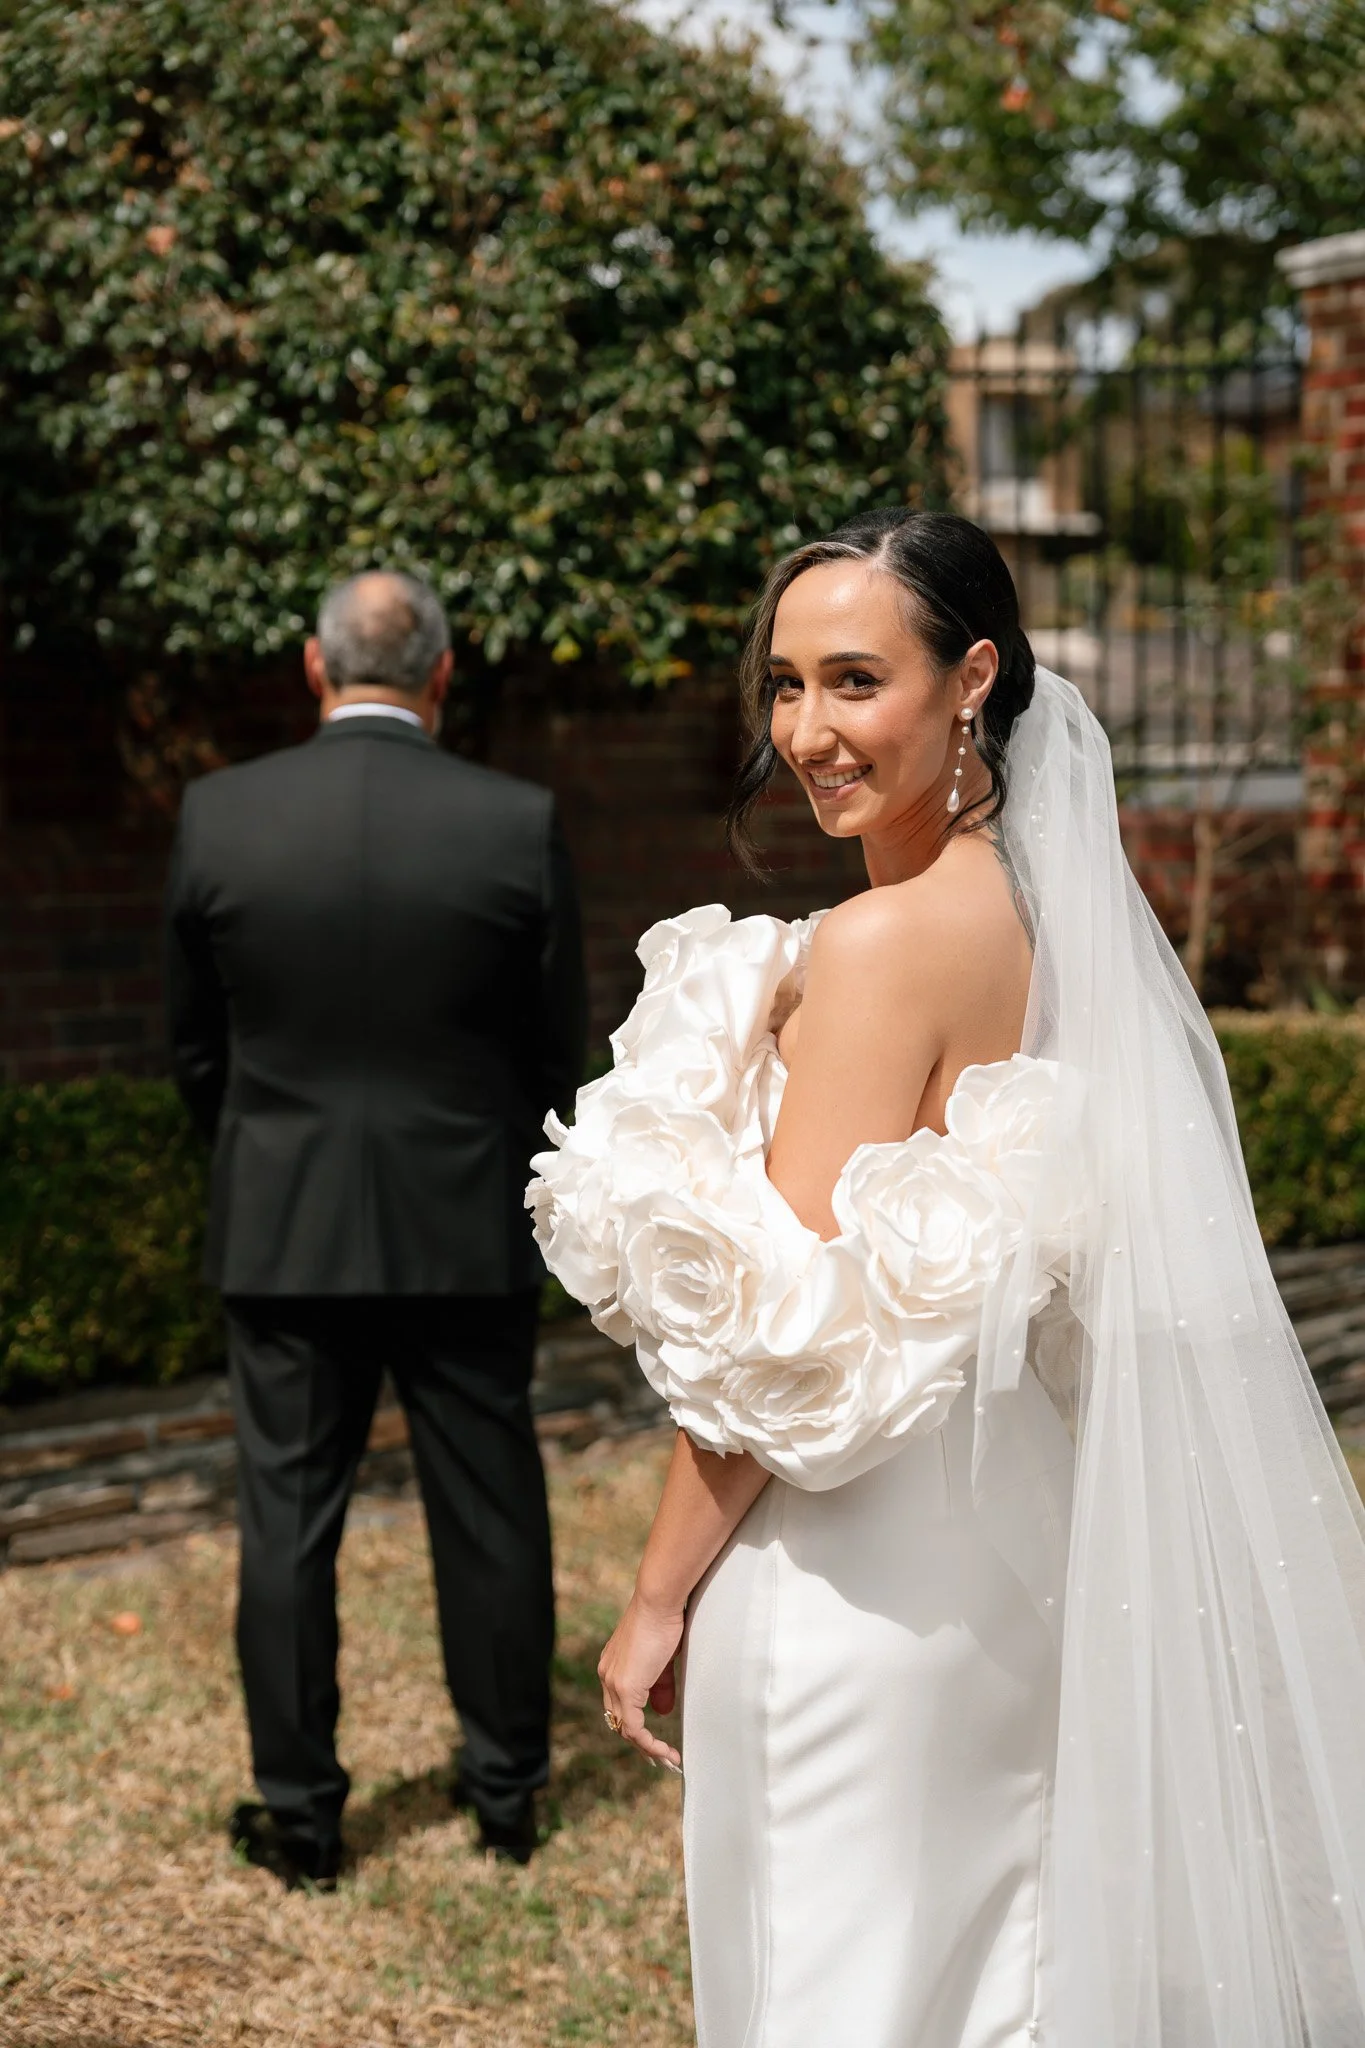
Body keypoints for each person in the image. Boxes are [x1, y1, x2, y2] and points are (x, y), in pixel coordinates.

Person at [528, 510, 1365, 2045]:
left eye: (856, 680)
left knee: (842, 1987)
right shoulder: (1054, 918)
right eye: (784, 687)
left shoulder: (878, 947)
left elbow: (771, 1348)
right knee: (1000, 1972)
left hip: (855, 1575)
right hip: (1021, 1547)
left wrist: (655, 1600)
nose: (807, 732)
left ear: (973, 677)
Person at [166, 570, 587, 1887]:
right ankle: (508, 1795)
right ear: (443, 674)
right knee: (492, 1503)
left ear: (312, 666)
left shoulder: (221, 815)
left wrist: (261, 1160)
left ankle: (302, 1821)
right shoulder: (515, 823)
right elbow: (556, 1055)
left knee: (286, 1522)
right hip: (465, 1221)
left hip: (282, 1227)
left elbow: (192, 1051)